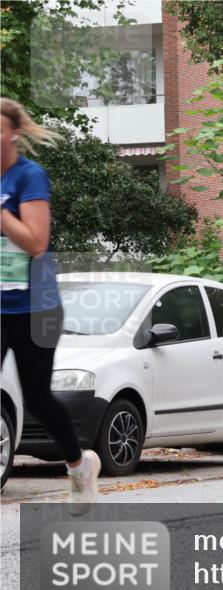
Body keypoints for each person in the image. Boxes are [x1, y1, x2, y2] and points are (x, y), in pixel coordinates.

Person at [1, 97, 100, 509]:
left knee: (38, 397)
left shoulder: (29, 176)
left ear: (13, 133)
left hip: (34, 308)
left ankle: (79, 467)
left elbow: (36, 243)